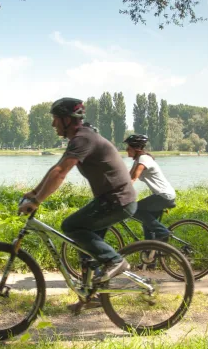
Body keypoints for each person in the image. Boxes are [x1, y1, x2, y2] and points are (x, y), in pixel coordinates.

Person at [19, 97, 138, 286]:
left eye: (55, 118)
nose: (52, 124)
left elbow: (60, 173)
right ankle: (92, 294)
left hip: (117, 201)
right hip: (111, 200)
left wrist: (37, 201)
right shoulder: (80, 138)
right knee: (86, 249)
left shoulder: (83, 138)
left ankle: (116, 261)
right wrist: (34, 193)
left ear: (67, 119)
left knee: (71, 226)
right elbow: (55, 168)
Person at [124, 134, 177, 243]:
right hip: (161, 195)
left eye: (128, 147)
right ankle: (150, 253)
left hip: (163, 195)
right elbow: (127, 178)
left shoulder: (143, 159)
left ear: (136, 148)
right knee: (147, 224)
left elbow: (133, 179)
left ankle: (164, 233)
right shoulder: (138, 160)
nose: (126, 150)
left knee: (136, 209)